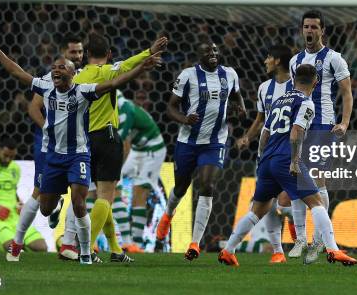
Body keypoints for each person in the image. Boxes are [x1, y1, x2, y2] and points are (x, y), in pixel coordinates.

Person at [0, 29, 162, 264]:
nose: (56, 70)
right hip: (54, 156)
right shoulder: (46, 88)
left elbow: (116, 81)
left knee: (80, 200)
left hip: (79, 156)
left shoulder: (83, 92)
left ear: (73, 75)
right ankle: (56, 218)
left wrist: (140, 69)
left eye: (62, 68)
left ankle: (83, 251)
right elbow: (16, 71)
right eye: (55, 67)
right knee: (45, 207)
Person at [217, 64, 357, 267]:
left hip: (267, 160)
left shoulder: (278, 101)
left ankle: (228, 250)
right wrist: (294, 161)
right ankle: (333, 249)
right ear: (316, 82)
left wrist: (261, 159)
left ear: (293, 81)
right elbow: (296, 132)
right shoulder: (306, 103)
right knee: (316, 202)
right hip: (285, 159)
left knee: (257, 210)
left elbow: (264, 134)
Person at [72, 33, 167, 263]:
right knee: (106, 196)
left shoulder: (76, 77)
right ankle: (87, 248)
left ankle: (116, 249)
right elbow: (128, 65)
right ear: (109, 54)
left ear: (85, 55)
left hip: (83, 142)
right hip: (107, 137)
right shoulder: (108, 71)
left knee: (100, 197)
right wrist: (150, 51)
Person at [156, 42, 246, 260]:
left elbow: (237, 98)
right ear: (199, 55)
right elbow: (170, 107)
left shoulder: (230, 74)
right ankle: (168, 214)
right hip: (188, 142)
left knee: (208, 184)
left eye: (215, 50)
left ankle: (195, 243)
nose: (213, 54)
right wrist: (184, 119)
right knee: (181, 186)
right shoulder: (188, 76)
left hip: (215, 142)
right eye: (208, 51)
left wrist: (240, 110)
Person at [289, 10, 353, 264]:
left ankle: (319, 241)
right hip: (300, 124)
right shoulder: (296, 61)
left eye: (314, 27)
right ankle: (301, 240)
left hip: (323, 125)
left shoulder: (334, 59)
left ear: (323, 30)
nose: (310, 31)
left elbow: (347, 93)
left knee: (318, 179)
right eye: (306, 27)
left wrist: (345, 122)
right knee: (295, 179)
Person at [18, 34, 84, 261]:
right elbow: (34, 108)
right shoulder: (48, 80)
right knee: (39, 194)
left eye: (80, 52)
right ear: (63, 55)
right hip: (49, 146)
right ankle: (18, 242)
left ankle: (68, 244)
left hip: (77, 147)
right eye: (73, 52)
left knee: (80, 193)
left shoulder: (83, 79)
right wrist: (49, 128)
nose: (77, 55)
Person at [235, 45, 295, 263]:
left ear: (278, 60)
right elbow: (260, 120)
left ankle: (294, 220)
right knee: (267, 204)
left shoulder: (296, 86)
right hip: (266, 151)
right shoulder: (263, 88)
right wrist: (247, 138)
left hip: (290, 150)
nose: (265, 61)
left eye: (268, 57)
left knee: (284, 203)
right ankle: (278, 252)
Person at [112, 91, 166, 253]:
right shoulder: (116, 106)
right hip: (137, 149)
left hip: (152, 150)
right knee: (113, 187)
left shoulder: (125, 110)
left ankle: (135, 243)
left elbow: (123, 143)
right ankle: (129, 242)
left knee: (138, 195)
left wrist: (116, 170)